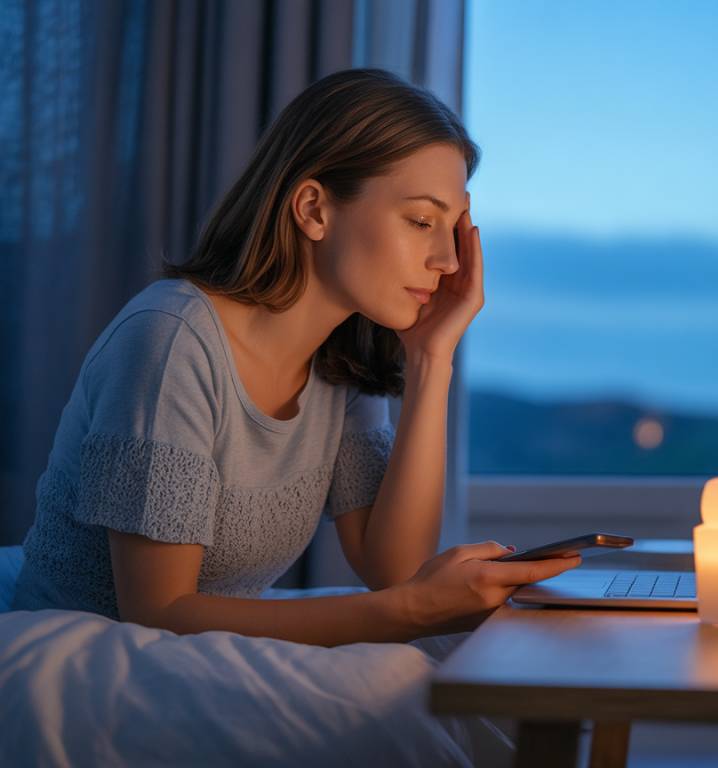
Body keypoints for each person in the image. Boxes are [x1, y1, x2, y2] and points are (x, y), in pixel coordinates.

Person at [11, 69, 580, 653]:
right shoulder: (170, 340)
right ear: (313, 209)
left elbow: (394, 569)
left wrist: (432, 359)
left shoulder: (338, 359)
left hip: (196, 656)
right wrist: (411, 609)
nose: (447, 261)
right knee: (409, 695)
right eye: (420, 221)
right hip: (88, 658)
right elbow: (157, 613)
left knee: (441, 673)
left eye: (452, 228)